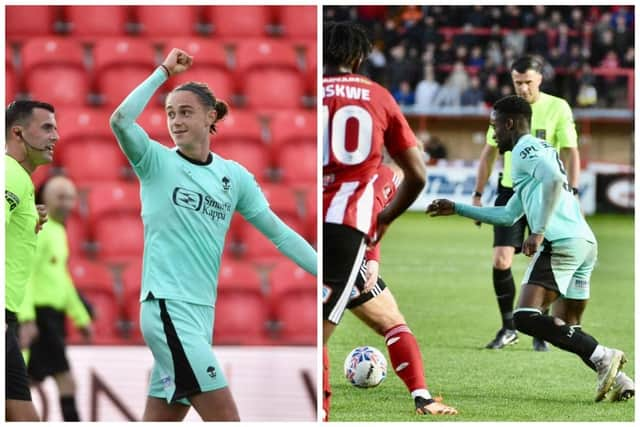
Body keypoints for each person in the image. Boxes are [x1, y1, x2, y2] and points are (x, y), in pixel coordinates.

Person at [109, 48, 317, 421]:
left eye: (185, 112)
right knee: (226, 418)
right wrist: (162, 72)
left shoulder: (233, 176)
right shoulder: (155, 162)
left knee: (161, 418)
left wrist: (327, 272)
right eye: (170, 113)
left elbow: (281, 235)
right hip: (166, 307)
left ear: (211, 117)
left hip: (201, 313)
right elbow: (121, 121)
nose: (175, 121)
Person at [427, 95, 634, 402]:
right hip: (584, 243)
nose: (493, 133)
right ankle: (621, 380)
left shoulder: (525, 148)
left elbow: (551, 180)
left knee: (524, 317)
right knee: (568, 327)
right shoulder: (537, 154)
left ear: (510, 123)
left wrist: (537, 231)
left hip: (559, 242)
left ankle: (605, 356)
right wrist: (457, 207)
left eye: (495, 125)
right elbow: (509, 214)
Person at [323, 21, 426, 420]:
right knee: (324, 334)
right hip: (344, 233)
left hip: (302, 229)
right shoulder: (377, 97)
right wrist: (384, 222)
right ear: (360, 57)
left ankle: (422, 395)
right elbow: (416, 174)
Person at [472, 55, 581, 351]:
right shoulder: (505, 110)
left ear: (540, 79)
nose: (522, 88)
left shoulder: (557, 108)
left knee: (542, 262)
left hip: (543, 196)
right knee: (501, 260)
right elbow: (489, 153)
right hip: (509, 190)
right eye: (517, 82)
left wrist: (573, 191)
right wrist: (478, 193)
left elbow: (571, 152)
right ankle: (509, 327)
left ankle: (538, 325)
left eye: (527, 82)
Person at [346, 164, 457, 415]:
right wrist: (372, 257)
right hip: (346, 251)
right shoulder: (388, 172)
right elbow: (372, 210)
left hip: (324, 249)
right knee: (393, 324)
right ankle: (422, 398)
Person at [17, 176, 93, 421]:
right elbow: (24, 272)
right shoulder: (42, 230)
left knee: (26, 380)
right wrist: (27, 318)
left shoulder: (58, 231)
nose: (67, 203)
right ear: (44, 198)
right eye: (60, 197)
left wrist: (80, 316)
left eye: (71, 197)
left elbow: (62, 279)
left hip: (53, 318)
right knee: (65, 381)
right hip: (41, 316)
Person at [5, 99, 58, 421]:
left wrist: (28, 222)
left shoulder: (18, 180)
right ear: (18, 133)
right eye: (47, 127)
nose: (56, 136)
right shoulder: (11, 174)